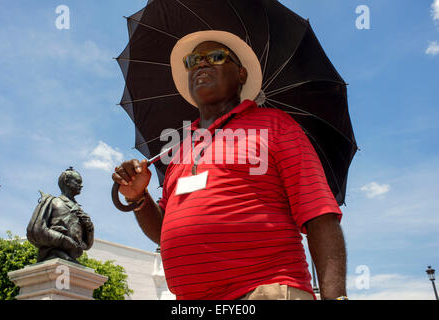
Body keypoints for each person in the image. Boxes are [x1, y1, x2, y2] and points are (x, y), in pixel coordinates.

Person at [112, 31, 347, 300]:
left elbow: (318, 212)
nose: (201, 64)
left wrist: (336, 298)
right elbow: (163, 232)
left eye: (215, 56)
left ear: (241, 75)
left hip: (265, 291)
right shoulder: (179, 148)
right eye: (193, 60)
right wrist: (138, 197)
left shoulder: (276, 125)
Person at [27, 167, 94, 263]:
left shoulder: (80, 211)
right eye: (78, 181)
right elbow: (36, 229)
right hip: (53, 253)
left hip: (71, 256)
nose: (81, 185)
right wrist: (63, 240)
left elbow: (86, 245)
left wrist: (89, 228)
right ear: (67, 181)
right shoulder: (52, 201)